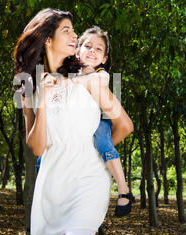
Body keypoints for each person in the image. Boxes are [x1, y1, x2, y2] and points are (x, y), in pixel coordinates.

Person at [14, 9, 133, 235]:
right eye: (66, 30)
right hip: (54, 181)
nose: (74, 35)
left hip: (89, 178)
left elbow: (124, 125)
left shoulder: (89, 79)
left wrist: (95, 153)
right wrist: (44, 102)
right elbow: (37, 148)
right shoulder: (26, 86)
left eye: (73, 30)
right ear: (48, 39)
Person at [35, 26, 135, 217]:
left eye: (99, 49)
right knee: (44, 154)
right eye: (87, 46)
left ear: (104, 58)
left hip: (97, 120)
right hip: (70, 126)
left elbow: (89, 84)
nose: (92, 51)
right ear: (77, 50)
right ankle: (44, 195)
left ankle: (123, 188)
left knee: (103, 142)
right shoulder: (66, 71)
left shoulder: (100, 75)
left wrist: (64, 82)